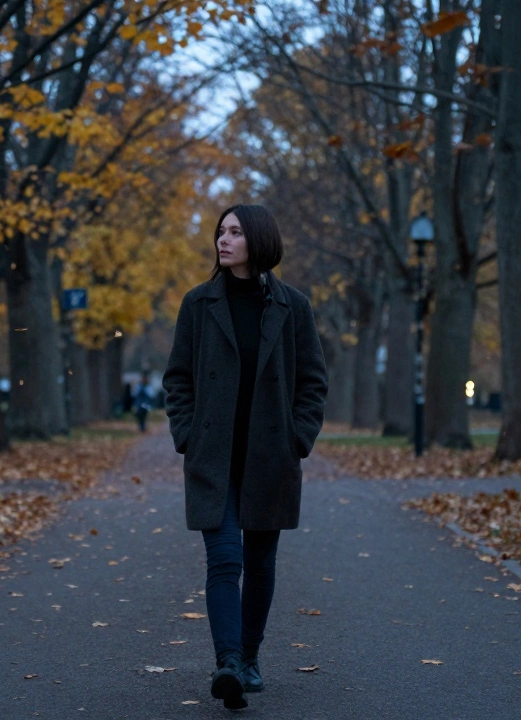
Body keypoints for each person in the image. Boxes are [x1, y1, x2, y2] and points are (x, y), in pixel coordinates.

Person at [162, 204, 328, 710]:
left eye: (235, 231)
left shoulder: (292, 306)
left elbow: (313, 382)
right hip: (213, 454)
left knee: (259, 562)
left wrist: (297, 437)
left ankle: (250, 657)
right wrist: (188, 433)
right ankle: (229, 662)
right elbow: (178, 378)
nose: (223, 239)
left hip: (270, 456)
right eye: (220, 231)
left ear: (257, 239)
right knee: (224, 559)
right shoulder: (198, 303)